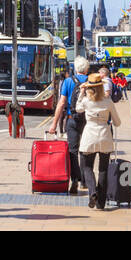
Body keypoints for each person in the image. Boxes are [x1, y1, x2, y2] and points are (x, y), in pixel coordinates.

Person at [76, 71, 128, 209]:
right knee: (103, 170)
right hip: (105, 136)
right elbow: (117, 122)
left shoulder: (86, 101)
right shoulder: (108, 101)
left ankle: (93, 192)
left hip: (89, 136)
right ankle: (101, 203)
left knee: (87, 167)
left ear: (88, 88)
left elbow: (78, 108)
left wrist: (81, 93)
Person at [50, 57, 90, 196]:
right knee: (86, 151)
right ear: (86, 69)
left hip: (71, 119)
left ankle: (75, 179)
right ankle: (86, 180)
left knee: (72, 150)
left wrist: (54, 124)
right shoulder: (91, 82)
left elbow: (61, 103)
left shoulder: (68, 81)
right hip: (88, 121)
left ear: (76, 69)